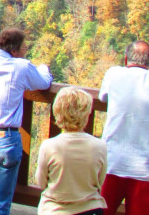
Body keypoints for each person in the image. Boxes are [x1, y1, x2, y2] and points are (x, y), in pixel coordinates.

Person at [0, 28, 52, 215]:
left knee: (0, 168)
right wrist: (44, 68)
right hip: (4, 144)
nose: (24, 53)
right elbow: (44, 83)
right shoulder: (21, 66)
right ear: (14, 51)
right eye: (23, 49)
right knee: (1, 206)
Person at [99, 40, 149, 215]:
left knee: (101, 211)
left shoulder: (113, 74)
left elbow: (103, 96)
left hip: (113, 161)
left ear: (126, 58)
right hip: (147, 166)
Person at [35, 87, 107, 215]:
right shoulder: (100, 146)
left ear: (57, 113)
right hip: (90, 210)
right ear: (86, 114)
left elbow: (41, 183)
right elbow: (100, 182)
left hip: (54, 210)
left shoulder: (49, 146)